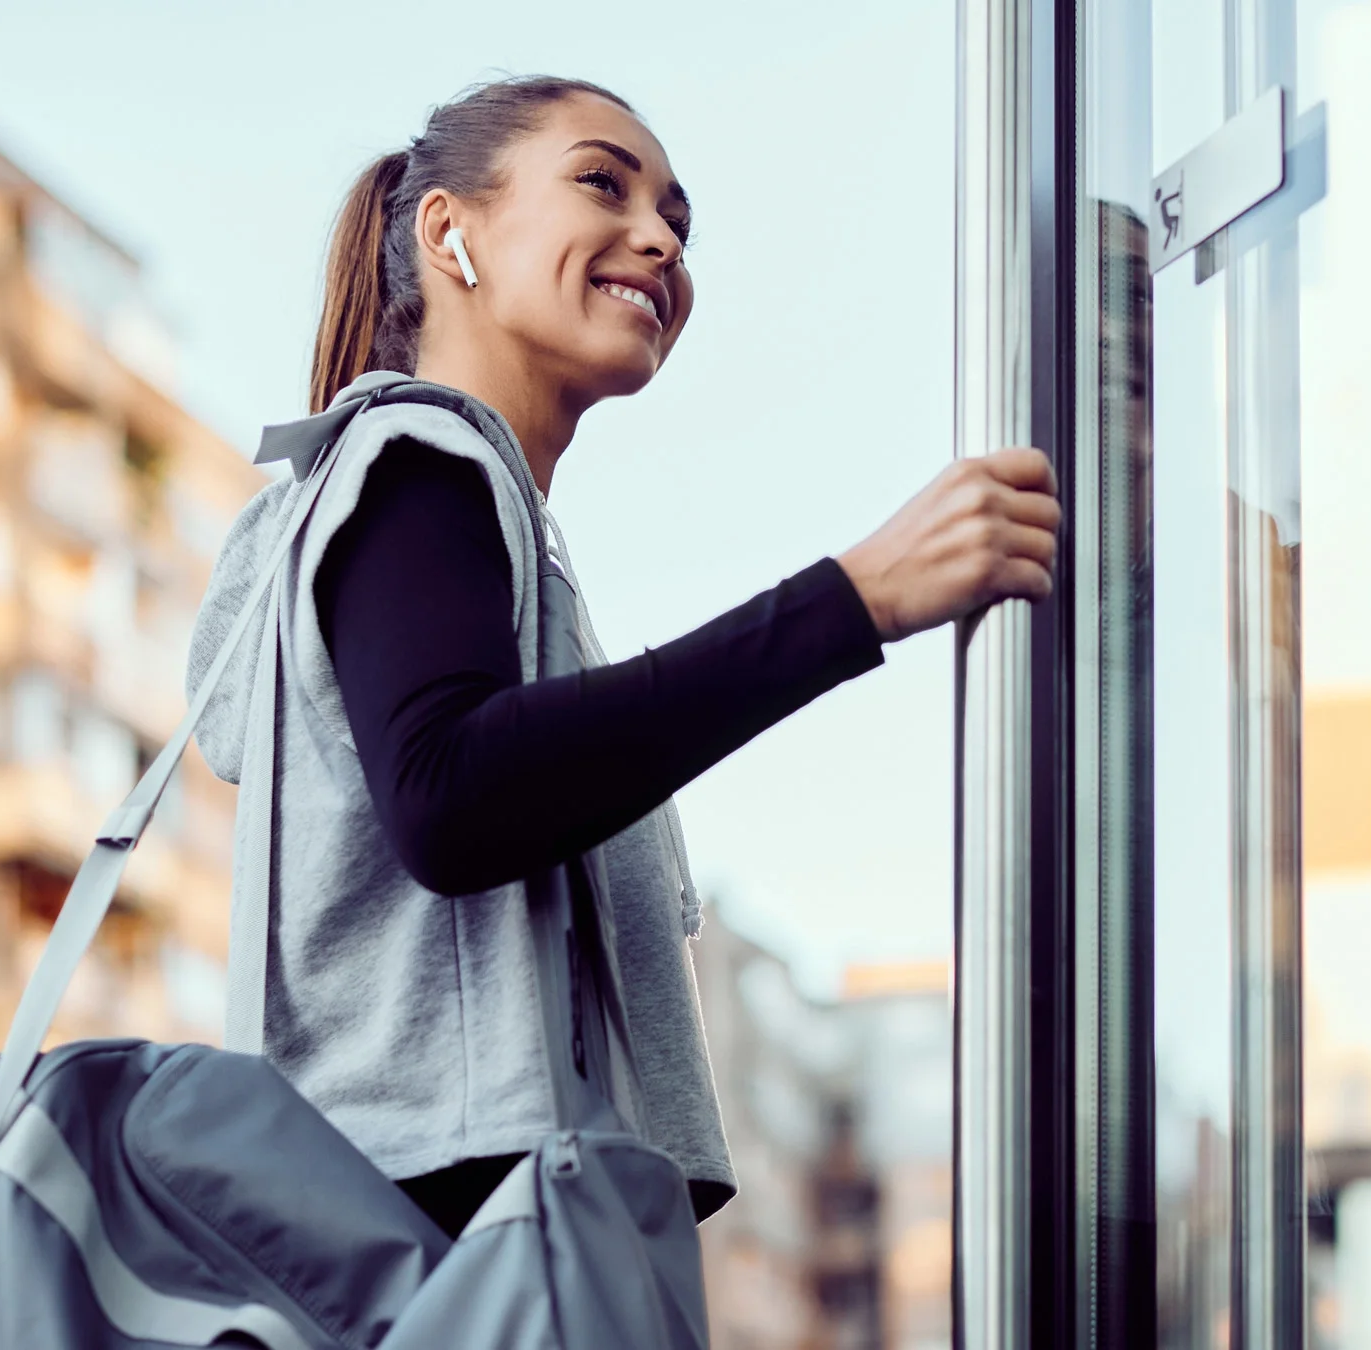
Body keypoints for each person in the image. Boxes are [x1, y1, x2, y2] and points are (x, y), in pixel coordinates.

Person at [184, 76, 1058, 1239]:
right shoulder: (415, 459)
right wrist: (857, 600)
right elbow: (454, 795)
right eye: (604, 182)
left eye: (679, 223)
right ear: (452, 232)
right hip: (447, 1245)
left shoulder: (477, 522)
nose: (658, 239)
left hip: (461, 1229)